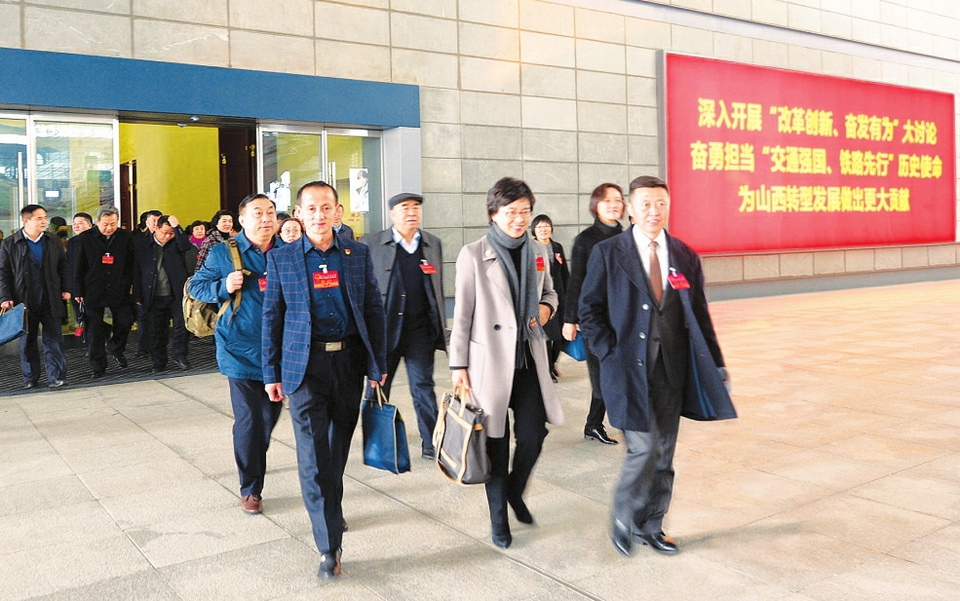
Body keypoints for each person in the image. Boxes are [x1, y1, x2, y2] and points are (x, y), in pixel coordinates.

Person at [578, 175, 729, 557]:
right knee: (643, 449)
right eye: (645, 203)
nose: (653, 211)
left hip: (671, 371)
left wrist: (716, 364)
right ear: (631, 208)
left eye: (661, 203)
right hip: (626, 371)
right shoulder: (609, 253)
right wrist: (608, 352)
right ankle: (623, 514)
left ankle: (651, 526)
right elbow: (589, 309)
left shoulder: (684, 255)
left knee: (664, 454)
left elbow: (699, 315)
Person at [262, 181, 386, 580]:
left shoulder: (356, 254)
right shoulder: (281, 259)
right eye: (311, 208)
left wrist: (377, 364)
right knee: (313, 457)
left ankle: (331, 507)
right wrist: (270, 372)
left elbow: (373, 309)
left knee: (335, 451)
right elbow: (272, 317)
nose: (319, 215)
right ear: (299, 213)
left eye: (326, 207)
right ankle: (328, 546)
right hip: (304, 368)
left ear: (338, 211)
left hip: (348, 363)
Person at [449, 177, 564, 550]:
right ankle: (499, 520)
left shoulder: (538, 251)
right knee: (495, 444)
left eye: (525, 212)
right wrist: (458, 367)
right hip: (489, 364)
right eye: (511, 212)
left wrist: (545, 309)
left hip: (529, 360)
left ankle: (515, 491)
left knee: (533, 436)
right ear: (493, 213)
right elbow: (462, 315)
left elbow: (550, 293)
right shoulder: (473, 254)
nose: (519, 219)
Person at [190, 194, 284, 515]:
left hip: (280, 350)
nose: (266, 218)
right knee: (249, 420)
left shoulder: (287, 251)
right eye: (258, 213)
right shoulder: (222, 252)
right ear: (242, 220)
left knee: (267, 419)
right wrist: (223, 286)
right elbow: (196, 287)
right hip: (238, 348)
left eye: (271, 212)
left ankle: (254, 456)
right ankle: (251, 488)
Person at [360, 192, 446, 460]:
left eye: (416, 207)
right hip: (384, 331)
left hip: (420, 330)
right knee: (377, 386)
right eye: (404, 207)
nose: (411, 212)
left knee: (423, 386)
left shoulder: (432, 243)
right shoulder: (371, 243)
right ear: (392, 213)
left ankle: (431, 442)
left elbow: (436, 288)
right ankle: (376, 442)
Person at [562, 183, 626, 445]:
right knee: (602, 378)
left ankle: (597, 424)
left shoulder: (629, 237)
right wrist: (570, 319)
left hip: (623, 319)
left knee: (621, 373)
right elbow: (576, 281)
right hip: (595, 320)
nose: (613, 204)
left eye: (618, 199)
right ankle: (594, 424)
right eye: (607, 200)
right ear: (595, 205)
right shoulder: (585, 240)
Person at [0, 204, 70, 388]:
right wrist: (5, 297)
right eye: (39, 218)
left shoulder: (53, 241)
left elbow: (63, 267)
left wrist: (66, 288)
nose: (44, 221)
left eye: (45, 217)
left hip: (50, 297)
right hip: (24, 300)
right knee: (27, 341)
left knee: (53, 339)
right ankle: (30, 378)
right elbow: (3, 273)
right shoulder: (10, 244)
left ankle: (56, 377)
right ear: (26, 220)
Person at [74, 205, 136, 379]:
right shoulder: (85, 238)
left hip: (119, 288)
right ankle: (98, 366)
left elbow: (132, 264)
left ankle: (115, 347)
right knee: (94, 330)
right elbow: (78, 267)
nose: (109, 228)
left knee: (125, 321)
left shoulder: (125, 237)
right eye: (105, 224)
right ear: (98, 222)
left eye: (113, 224)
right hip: (93, 289)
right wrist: (78, 290)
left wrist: (131, 285)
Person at [133, 214, 193, 373]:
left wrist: (177, 227)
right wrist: (137, 295)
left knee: (182, 326)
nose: (167, 236)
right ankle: (159, 361)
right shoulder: (142, 245)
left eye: (171, 233)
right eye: (164, 232)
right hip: (153, 295)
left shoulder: (176, 244)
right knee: (156, 331)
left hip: (176, 294)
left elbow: (186, 245)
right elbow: (136, 271)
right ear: (156, 229)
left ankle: (180, 355)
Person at [530, 214, 569, 382]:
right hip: (542, 297)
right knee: (545, 335)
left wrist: (569, 294)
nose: (543, 229)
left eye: (546, 226)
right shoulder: (531, 248)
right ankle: (547, 370)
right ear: (534, 230)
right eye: (539, 227)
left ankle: (552, 363)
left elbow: (565, 272)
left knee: (559, 337)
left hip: (559, 295)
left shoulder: (557, 247)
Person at [67, 212, 93, 338]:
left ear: (90, 225)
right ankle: (87, 340)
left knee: (92, 317)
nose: (76, 226)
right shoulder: (72, 242)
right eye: (74, 223)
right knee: (81, 315)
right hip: (75, 286)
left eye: (80, 223)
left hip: (90, 286)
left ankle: (95, 340)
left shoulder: (95, 242)